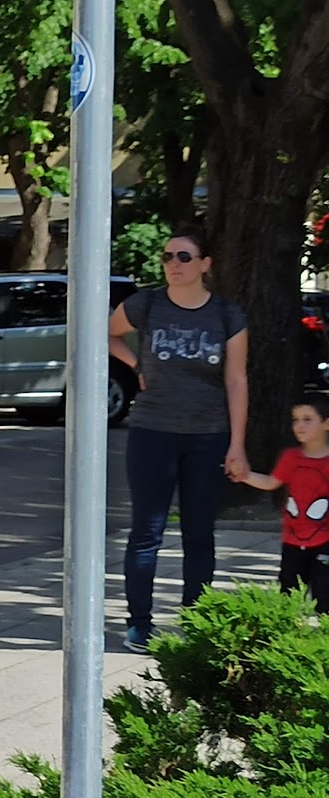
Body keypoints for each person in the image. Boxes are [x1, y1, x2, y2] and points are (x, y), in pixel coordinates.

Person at [108, 226, 249, 652]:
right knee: (146, 532)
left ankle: (196, 618)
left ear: (205, 264)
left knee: (199, 533)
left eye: (184, 257)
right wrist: (135, 364)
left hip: (208, 436)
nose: (174, 265)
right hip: (152, 432)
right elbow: (107, 332)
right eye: (168, 257)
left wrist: (237, 444)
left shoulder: (227, 315)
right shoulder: (146, 304)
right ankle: (139, 623)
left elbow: (237, 380)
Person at [229, 393, 329, 614]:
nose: (299, 426)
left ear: (326, 423)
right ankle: (287, 638)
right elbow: (272, 482)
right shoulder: (291, 457)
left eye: (307, 419)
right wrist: (244, 476)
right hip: (292, 541)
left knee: (324, 596)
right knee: (288, 594)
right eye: (295, 419)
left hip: (325, 542)